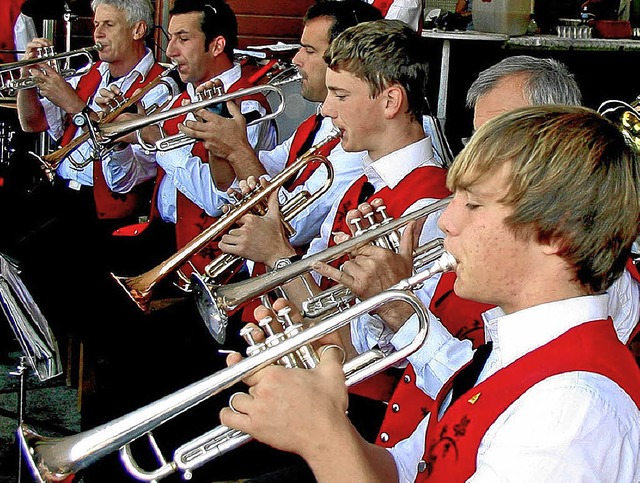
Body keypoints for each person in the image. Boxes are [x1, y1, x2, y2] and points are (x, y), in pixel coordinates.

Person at [220, 105, 640, 481]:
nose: (446, 221)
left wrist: (321, 437)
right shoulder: (511, 347)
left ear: (555, 233)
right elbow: (404, 469)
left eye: (473, 204)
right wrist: (327, 416)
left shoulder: (572, 409)